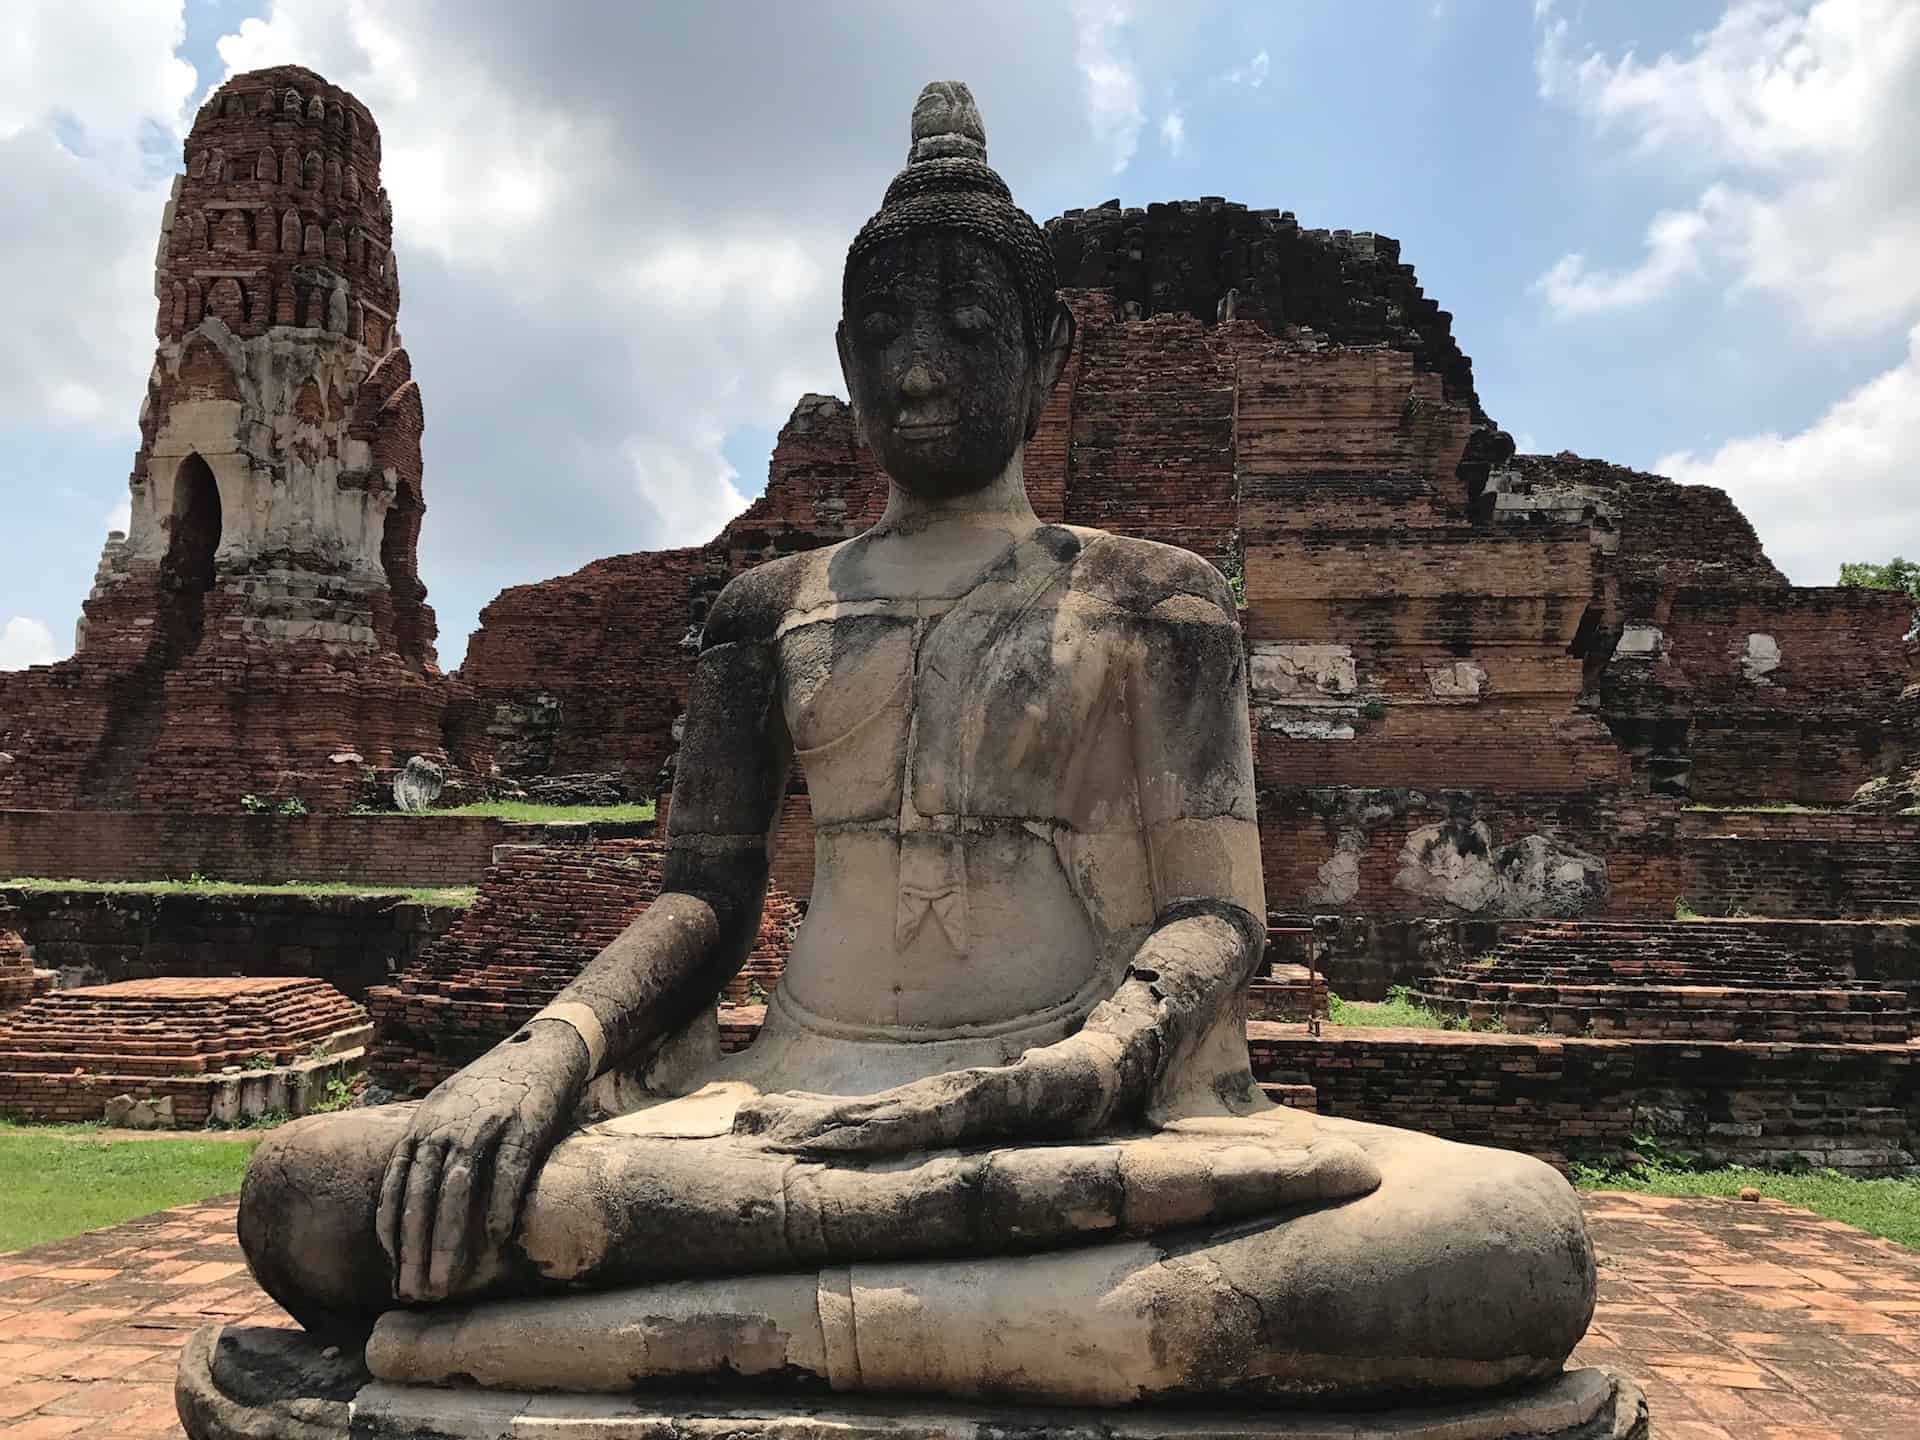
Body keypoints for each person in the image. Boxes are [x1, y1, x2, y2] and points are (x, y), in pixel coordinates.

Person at [239, 82, 1595, 1407]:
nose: (921, 365)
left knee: (1505, 1241)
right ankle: (1010, 1329)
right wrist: (542, 1052)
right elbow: (702, 904)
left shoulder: (1156, 592)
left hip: (1083, 1110)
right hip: (788, 1118)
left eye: (966, 323)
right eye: (883, 329)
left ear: (1051, 352)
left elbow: (1212, 913)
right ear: (842, 357)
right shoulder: (764, 612)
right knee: (315, 1196)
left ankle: (581, 1343)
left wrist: (1091, 1067)